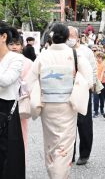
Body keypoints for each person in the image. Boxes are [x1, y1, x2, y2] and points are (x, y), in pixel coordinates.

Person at [27, 23, 93, 178]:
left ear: (51, 37)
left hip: (47, 104)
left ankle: (54, 173)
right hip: (68, 104)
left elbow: (30, 80)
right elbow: (89, 79)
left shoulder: (43, 55)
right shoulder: (75, 54)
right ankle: (61, 174)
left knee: (51, 142)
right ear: (67, 37)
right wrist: (76, 85)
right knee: (65, 143)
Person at [67, 26, 97, 166]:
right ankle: (69, 154)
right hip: (66, 91)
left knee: (84, 123)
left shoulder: (86, 51)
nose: (69, 38)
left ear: (78, 36)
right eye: (67, 35)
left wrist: (93, 85)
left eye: (72, 35)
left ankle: (84, 153)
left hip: (83, 90)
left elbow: (93, 69)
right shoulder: (62, 50)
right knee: (68, 124)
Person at [0, 22, 25, 179]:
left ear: (3, 37)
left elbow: (6, 80)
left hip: (6, 109)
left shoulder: (15, 58)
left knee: (8, 155)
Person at [8, 35, 33, 151]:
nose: (14, 47)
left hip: (21, 101)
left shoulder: (28, 63)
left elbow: (31, 84)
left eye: (17, 44)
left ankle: (20, 161)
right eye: (11, 44)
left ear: (22, 46)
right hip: (5, 101)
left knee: (21, 131)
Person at [93, 51, 105, 117]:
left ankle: (102, 109)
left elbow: (103, 72)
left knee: (102, 97)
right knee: (95, 97)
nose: (98, 59)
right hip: (96, 83)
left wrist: (100, 80)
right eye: (97, 58)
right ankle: (96, 111)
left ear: (102, 58)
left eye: (100, 58)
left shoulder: (103, 64)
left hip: (102, 82)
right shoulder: (95, 64)